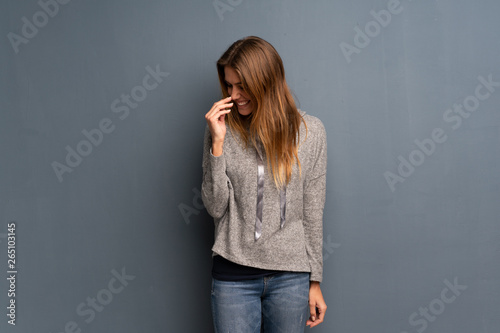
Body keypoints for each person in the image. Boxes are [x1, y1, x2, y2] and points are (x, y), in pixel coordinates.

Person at [202, 36, 328, 332]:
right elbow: (215, 206)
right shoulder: (221, 129)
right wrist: (217, 145)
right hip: (233, 276)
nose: (234, 95)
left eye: (242, 85)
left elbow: (312, 211)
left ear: (266, 81)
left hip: (291, 278)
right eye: (230, 85)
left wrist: (315, 280)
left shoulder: (311, 133)